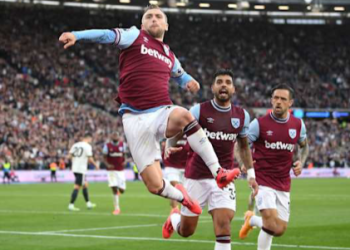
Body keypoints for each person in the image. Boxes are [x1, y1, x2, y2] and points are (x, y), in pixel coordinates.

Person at [59, 4, 240, 215]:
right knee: (155, 185)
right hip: (135, 118)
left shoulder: (169, 54)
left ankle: (218, 172)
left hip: (161, 110)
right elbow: (106, 35)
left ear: (166, 25)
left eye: (158, 16)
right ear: (142, 24)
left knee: (184, 115)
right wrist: (76, 35)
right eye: (149, 16)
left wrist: (190, 81)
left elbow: (180, 74)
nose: (154, 19)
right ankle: (183, 197)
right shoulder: (134, 36)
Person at [162, 69, 259, 250]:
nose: (224, 85)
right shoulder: (199, 111)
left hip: (224, 178)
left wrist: (252, 174)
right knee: (186, 230)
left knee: (224, 227)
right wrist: (169, 145)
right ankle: (173, 219)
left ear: (234, 89)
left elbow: (244, 146)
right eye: (219, 81)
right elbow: (177, 128)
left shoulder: (242, 116)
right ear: (213, 87)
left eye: (228, 82)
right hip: (196, 177)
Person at [238, 84, 309, 250]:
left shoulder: (298, 125)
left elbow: (304, 146)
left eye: (283, 99)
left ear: (290, 103)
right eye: (275, 98)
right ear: (271, 100)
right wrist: (243, 163)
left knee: (279, 229)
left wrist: (301, 161)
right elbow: (241, 145)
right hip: (262, 181)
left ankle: (252, 220)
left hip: (283, 182)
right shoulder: (259, 124)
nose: (278, 102)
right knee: (270, 223)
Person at [68, 133, 99, 211]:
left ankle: (88, 204)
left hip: (75, 168)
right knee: (77, 186)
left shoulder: (75, 145)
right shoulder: (87, 146)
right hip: (81, 169)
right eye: (90, 139)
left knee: (85, 185)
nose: (90, 141)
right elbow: (90, 158)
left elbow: (69, 156)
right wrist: (96, 165)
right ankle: (71, 205)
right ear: (88, 138)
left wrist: (75, 161)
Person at [161, 135, 188, 211]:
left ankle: (177, 213)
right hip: (171, 164)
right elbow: (163, 142)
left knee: (183, 192)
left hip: (186, 166)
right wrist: (167, 145)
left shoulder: (191, 128)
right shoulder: (172, 127)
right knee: (176, 187)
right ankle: (175, 213)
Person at [102, 132, 126, 215]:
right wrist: (107, 164)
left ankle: (119, 190)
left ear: (119, 137)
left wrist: (125, 161)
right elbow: (104, 157)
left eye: (116, 135)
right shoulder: (107, 146)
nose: (115, 136)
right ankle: (117, 208)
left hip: (120, 170)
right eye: (114, 135)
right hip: (111, 170)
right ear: (111, 137)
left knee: (122, 190)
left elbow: (124, 155)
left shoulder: (123, 145)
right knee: (113, 187)